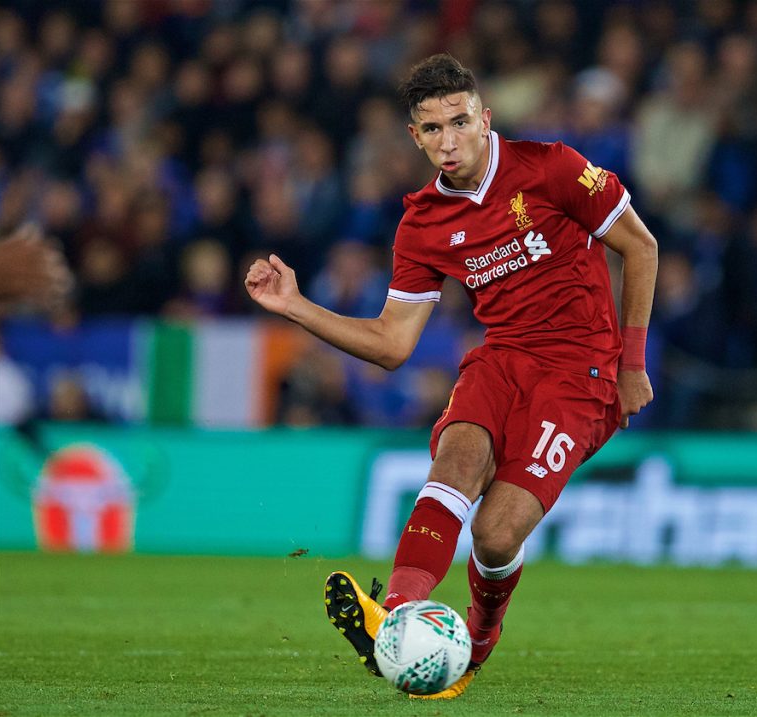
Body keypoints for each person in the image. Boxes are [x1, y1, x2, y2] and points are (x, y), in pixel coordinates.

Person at [244, 54, 657, 699]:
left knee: (495, 534)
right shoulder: (421, 224)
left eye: (460, 122)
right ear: (415, 136)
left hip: (582, 369)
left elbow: (642, 246)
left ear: (484, 118)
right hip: (501, 357)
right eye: (432, 129)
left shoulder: (553, 168)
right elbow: (391, 344)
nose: (449, 141)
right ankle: (397, 619)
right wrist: (295, 305)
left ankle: (480, 633)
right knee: (455, 463)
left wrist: (632, 364)